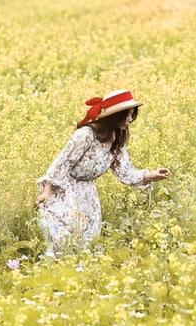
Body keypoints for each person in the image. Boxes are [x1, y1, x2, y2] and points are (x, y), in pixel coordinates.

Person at [34, 89, 171, 258]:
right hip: (65, 189)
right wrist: (46, 192)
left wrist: (150, 175)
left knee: (86, 240)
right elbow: (62, 163)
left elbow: (124, 171)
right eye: (126, 115)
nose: (130, 119)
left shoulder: (117, 138)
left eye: (132, 115)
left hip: (88, 193)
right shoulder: (85, 135)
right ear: (114, 115)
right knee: (63, 237)